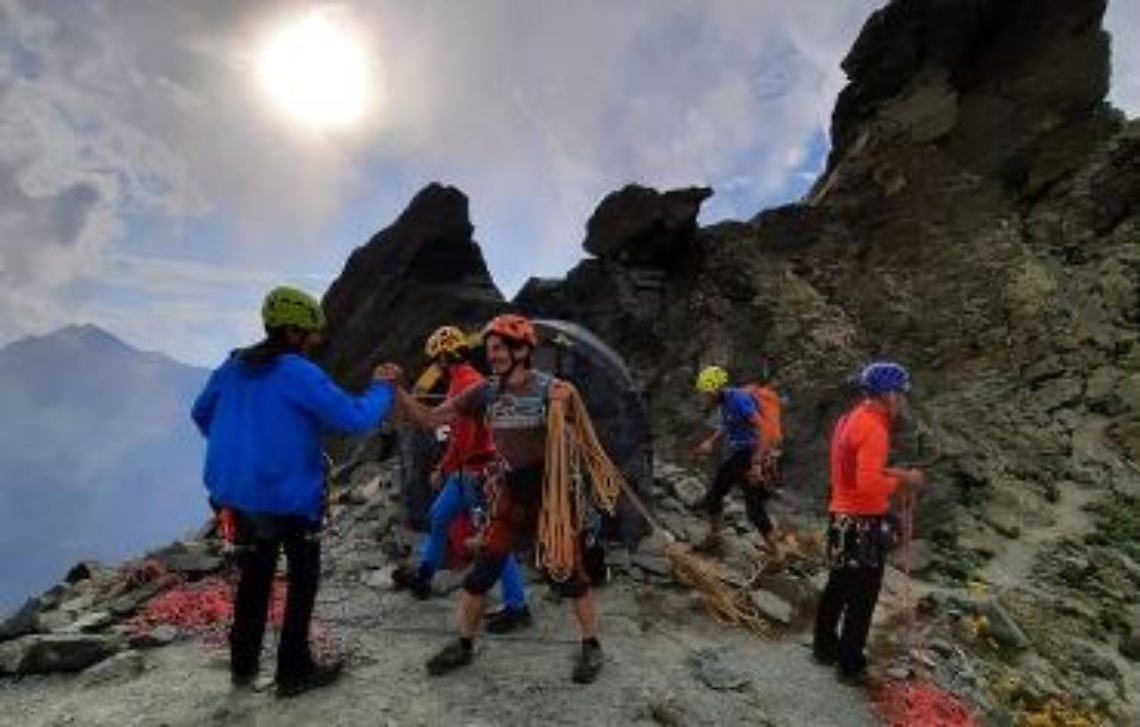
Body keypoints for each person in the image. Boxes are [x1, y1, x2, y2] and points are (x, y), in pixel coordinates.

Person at [191, 286, 396, 698]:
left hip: (237, 494)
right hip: (288, 497)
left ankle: (244, 666)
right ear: (293, 332)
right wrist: (383, 388)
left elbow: (200, 413)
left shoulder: (232, 366)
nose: (317, 339)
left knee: (254, 577)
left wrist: (240, 444)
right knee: (303, 578)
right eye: (312, 332)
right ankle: (293, 670)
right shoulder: (297, 372)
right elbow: (354, 419)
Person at [382, 313, 607, 684]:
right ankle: (464, 644)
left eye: (500, 348)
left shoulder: (551, 389)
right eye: (489, 350)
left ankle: (591, 644)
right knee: (481, 573)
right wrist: (398, 390)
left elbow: (577, 441)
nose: (493, 356)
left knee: (571, 575)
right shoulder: (485, 392)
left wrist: (564, 407)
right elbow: (429, 418)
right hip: (511, 491)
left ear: (522, 350)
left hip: (550, 494)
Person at [391, 325, 533, 634]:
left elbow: (466, 440)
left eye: (437, 359)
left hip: (477, 475)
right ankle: (424, 577)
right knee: (439, 515)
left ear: (444, 357)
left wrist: (444, 469)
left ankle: (518, 606)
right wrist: (445, 467)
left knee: (495, 542)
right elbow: (456, 436)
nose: (436, 365)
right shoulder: (464, 380)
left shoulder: (467, 384)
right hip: (464, 472)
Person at [812, 361, 924, 685]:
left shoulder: (849, 419)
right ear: (889, 395)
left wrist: (896, 474)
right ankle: (850, 665)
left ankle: (823, 646)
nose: (902, 402)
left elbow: (854, 470)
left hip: (841, 515)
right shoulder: (875, 428)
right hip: (862, 520)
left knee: (838, 585)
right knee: (863, 595)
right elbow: (868, 484)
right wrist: (905, 482)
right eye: (901, 395)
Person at [691, 365, 780, 556]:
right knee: (715, 495)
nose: (704, 397)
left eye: (706, 393)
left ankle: (777, 554)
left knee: (753, 508)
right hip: (740, 455)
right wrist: (710, 441)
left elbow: (762, 429)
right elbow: (729, 423)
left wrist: (757, 464)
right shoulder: (725, 401)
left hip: (751, 454)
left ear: (715, 389)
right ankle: (715, 537)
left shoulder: (739, 399)